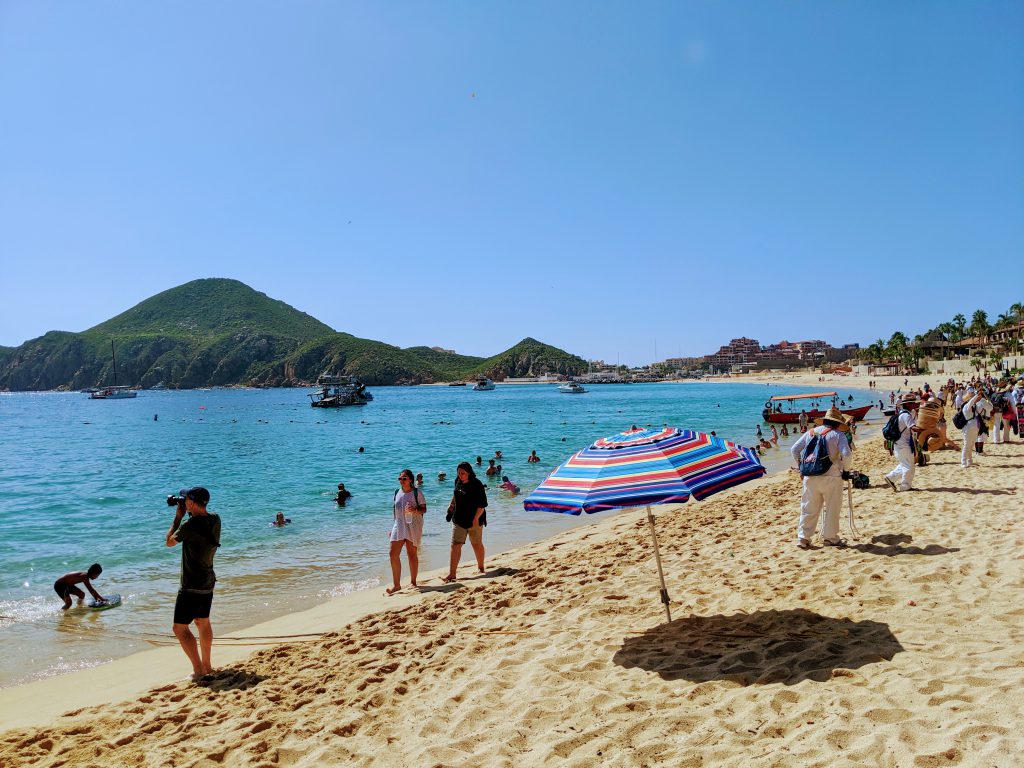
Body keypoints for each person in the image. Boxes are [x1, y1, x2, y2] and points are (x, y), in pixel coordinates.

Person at [166, 486, 221, 680]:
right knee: (202, 622)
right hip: (208, 581)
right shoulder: (215, 519)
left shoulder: (189, 526)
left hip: (191, 584)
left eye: (184, 500)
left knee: (179, 628)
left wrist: (179, 517)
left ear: (190, 502)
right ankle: (207, 665)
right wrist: (187, 512)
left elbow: (169, 542)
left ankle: (198, 670)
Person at [790, 408, 852, 549]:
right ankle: (830, 538)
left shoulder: (811, 432)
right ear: (837, 423)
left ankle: (803, 538)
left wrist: (801, 466)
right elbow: (847, 454)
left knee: (808, 507)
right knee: (832, 508)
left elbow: (794, 449)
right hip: (832, 477)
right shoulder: (838, 435)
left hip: (810, 475)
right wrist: (846, 471)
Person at [443, 462, 488, 582]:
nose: (460, 475)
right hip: (459, 519)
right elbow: (455, 495)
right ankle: (452, 573)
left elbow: (482, 505)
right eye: (458, 473)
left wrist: (475, 519)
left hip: (475, 519)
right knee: (455, 544)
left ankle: (481, 567)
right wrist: (451, 507)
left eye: (463, 473)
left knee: (476, 544)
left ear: (469, 473)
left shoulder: (476, 484)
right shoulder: (457, 481)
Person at [387, 469, 426, 595]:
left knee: (411, 554)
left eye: (404, 478)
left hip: (413, 525)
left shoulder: (417, 493)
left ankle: (413, 582)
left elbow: (424, 509)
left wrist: (415, 509)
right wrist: (392, 526)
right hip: (398, 525)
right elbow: (395, 510)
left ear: (410, 480)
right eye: (400, 479)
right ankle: (396, 585)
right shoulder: (397, 492)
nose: (401, 481)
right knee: (393, 554)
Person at [884, 394, 918, 492]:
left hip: (898, 444)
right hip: (904, 445)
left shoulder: (901, 414)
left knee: (904, 464)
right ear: (908, 404)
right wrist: (924, 428)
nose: (914, 405)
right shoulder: (906, 415)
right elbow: (913, 428)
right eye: (912, 403)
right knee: (909, 466)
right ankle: (905, 486)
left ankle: (890, 478)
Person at [960, 391, 992, 468]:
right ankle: (963, 462)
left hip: (974, 429)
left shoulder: (973, 408)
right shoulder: (967, 406)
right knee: (967, 445)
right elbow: (971, 401)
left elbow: (989, 407)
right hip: (968, 429)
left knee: (970, 446)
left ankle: (970, 461)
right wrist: (977, 395)